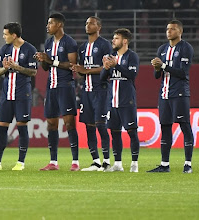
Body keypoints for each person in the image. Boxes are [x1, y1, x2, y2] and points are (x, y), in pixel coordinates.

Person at [0, 22, 37, 171]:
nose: (3, 36)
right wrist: (5, 68)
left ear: (14, 35)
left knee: (22, 126)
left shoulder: (29, 49)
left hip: (22, 94)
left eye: (5, 34)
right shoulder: (5, 49)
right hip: (6, 94)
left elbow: (33, 72)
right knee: (1, 127)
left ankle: (20, 162)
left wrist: (17, 67)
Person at [149, 20, 194, 173]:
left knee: (185, 126)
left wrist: (162, 66)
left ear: (180, 32)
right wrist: (156, 68)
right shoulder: (162, 49)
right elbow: (157, 76)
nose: (169, 31)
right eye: (167, 28)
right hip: (164, 94)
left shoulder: (185, 48)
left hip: (179, 93)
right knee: (165, 127)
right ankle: (164, 164)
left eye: (173, 29)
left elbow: (183, 73)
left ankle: (187, 164)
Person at [36, 12, 80, 171]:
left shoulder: (69, 42)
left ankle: (75, 162)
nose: (47, 26)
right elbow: (47, 67)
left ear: (59, 25)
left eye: (50, 23)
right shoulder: (48, 42)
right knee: (51, 124)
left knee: (69, 123)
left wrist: (50, 60)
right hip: (51, 86)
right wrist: (43, 60)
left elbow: (72, 65)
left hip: (65, 85)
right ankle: (53, 162)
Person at [71, 16, 112, 171]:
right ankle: (96, 161)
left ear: (99, 27)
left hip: (100, 90)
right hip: (86, 91)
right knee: (89, 126)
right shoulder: (82, 48)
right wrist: (78, 70)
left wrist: (86, 70)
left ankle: (107, 162)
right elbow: (82, 71)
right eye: (86, 23)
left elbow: (106, 67)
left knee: (101, 125)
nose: (87, 25)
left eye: (91, 23)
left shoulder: (104, 45)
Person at [100, 28, 140, 173]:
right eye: (113, 38)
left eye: (116, 38)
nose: (113, 40)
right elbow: (102, 79)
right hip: (113, 102)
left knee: (131, 132)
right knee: (115, 133)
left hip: (126, 101)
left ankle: (134, 163)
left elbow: (131, 74)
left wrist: (116, 65)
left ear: (124, 41)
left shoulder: (132, 57)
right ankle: (118, 164)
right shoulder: (111, 57)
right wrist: (105, 68)